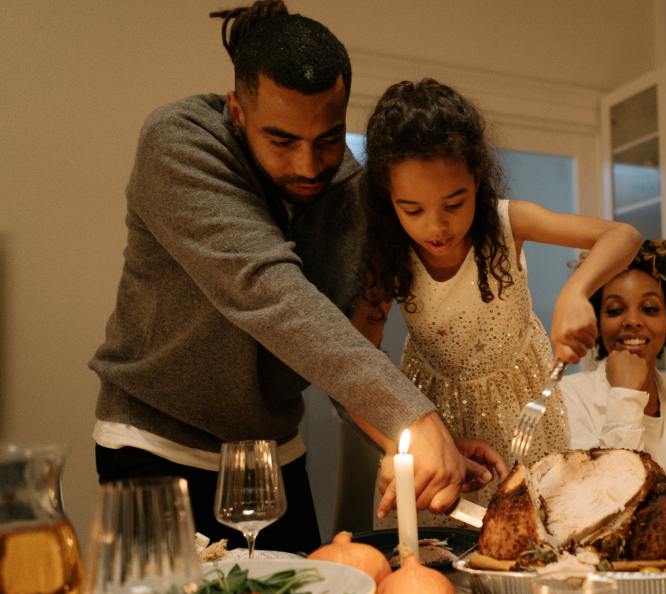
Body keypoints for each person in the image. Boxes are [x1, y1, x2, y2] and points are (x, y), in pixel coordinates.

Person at [88, 1, 500, 553]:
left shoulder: (353, 191)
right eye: (282, 140)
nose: (308, 165)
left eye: (328, 139)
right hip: (155, 444)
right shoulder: (179, 142)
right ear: (238, 110)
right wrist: (414, 415)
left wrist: (428, 440)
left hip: (273, 454)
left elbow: (342, 347)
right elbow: (268, 292)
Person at [357, 79, 643, 524]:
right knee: (439, 550)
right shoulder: (387, 255)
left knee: (534, 539)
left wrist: (576, 290)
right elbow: (355, 368)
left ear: (478, 178)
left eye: (455, 203)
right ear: (388, 199)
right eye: (412, 210)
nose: (436, 226)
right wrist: (399, 441)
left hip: (523, 410)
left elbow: (623, 236)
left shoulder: (510, 222)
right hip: (432, 416)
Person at [560, 240, 666, 482]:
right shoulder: (566, 400)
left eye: (649, 309)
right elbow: (602, 505)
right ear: (597, 324)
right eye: (614, 310)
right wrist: (625, 395)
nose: (632, 320)